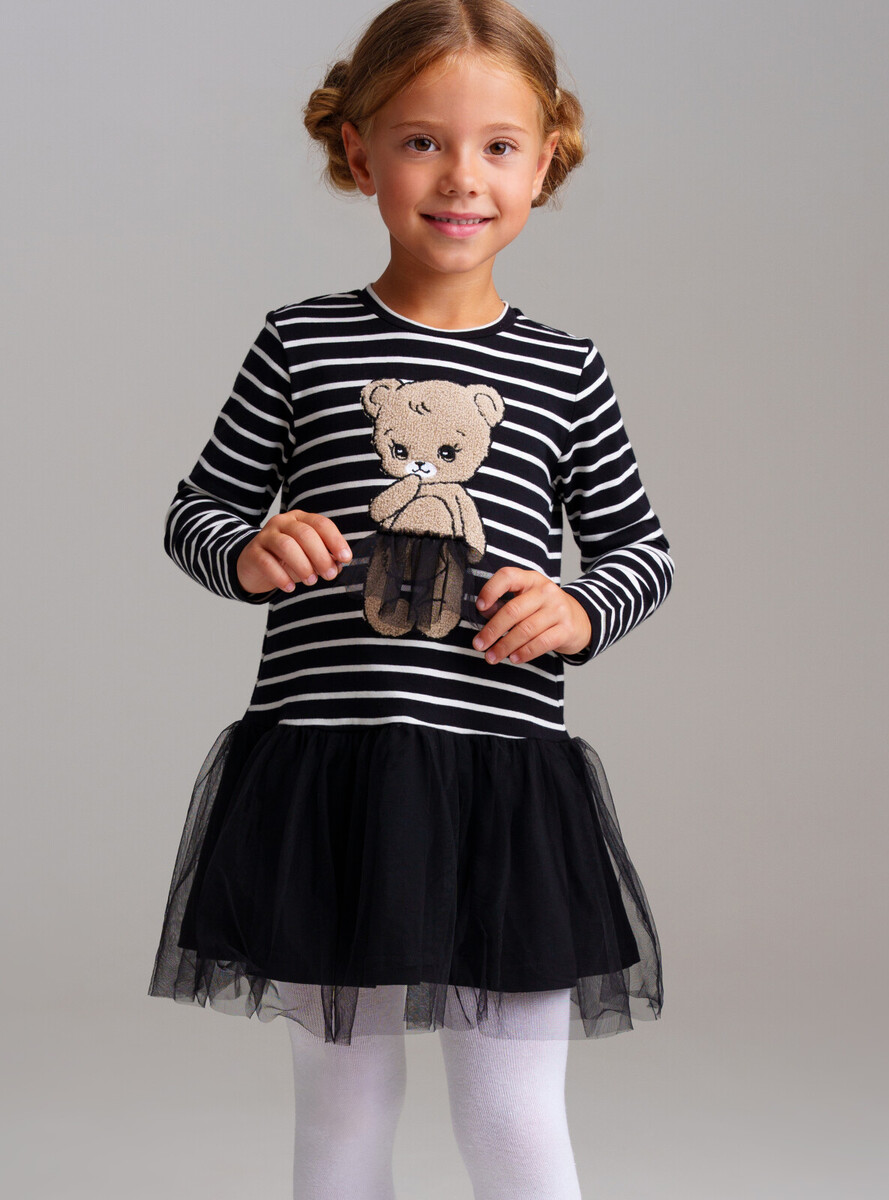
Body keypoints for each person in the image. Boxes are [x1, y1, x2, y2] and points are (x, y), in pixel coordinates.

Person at [147, 1, 675, 1195]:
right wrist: (248, 549)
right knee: (344, 1110)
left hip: (502, 785)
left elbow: (641, 550)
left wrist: (581, 609)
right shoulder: (300, 344)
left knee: (512, 1115)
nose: (461, 177)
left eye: (499, 146)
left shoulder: (567, 368)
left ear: (545, 160)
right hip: (329, 779)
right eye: (423, 140)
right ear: (359, 150)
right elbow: (199, 510)